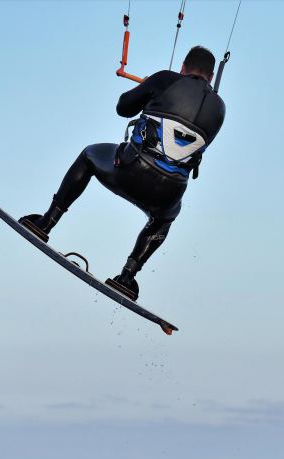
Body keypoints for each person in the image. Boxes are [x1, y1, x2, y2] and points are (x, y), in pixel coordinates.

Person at [19, 46, 226, 301]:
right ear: (212, 76)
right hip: (167, 193)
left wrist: (150, 86)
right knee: (167, 216)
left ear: (183, 68)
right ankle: (128, 276)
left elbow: (123, 107)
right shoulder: (220, 109)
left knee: (88, 155)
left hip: (130, 170)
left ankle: (46, 222)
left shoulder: (165, 79)